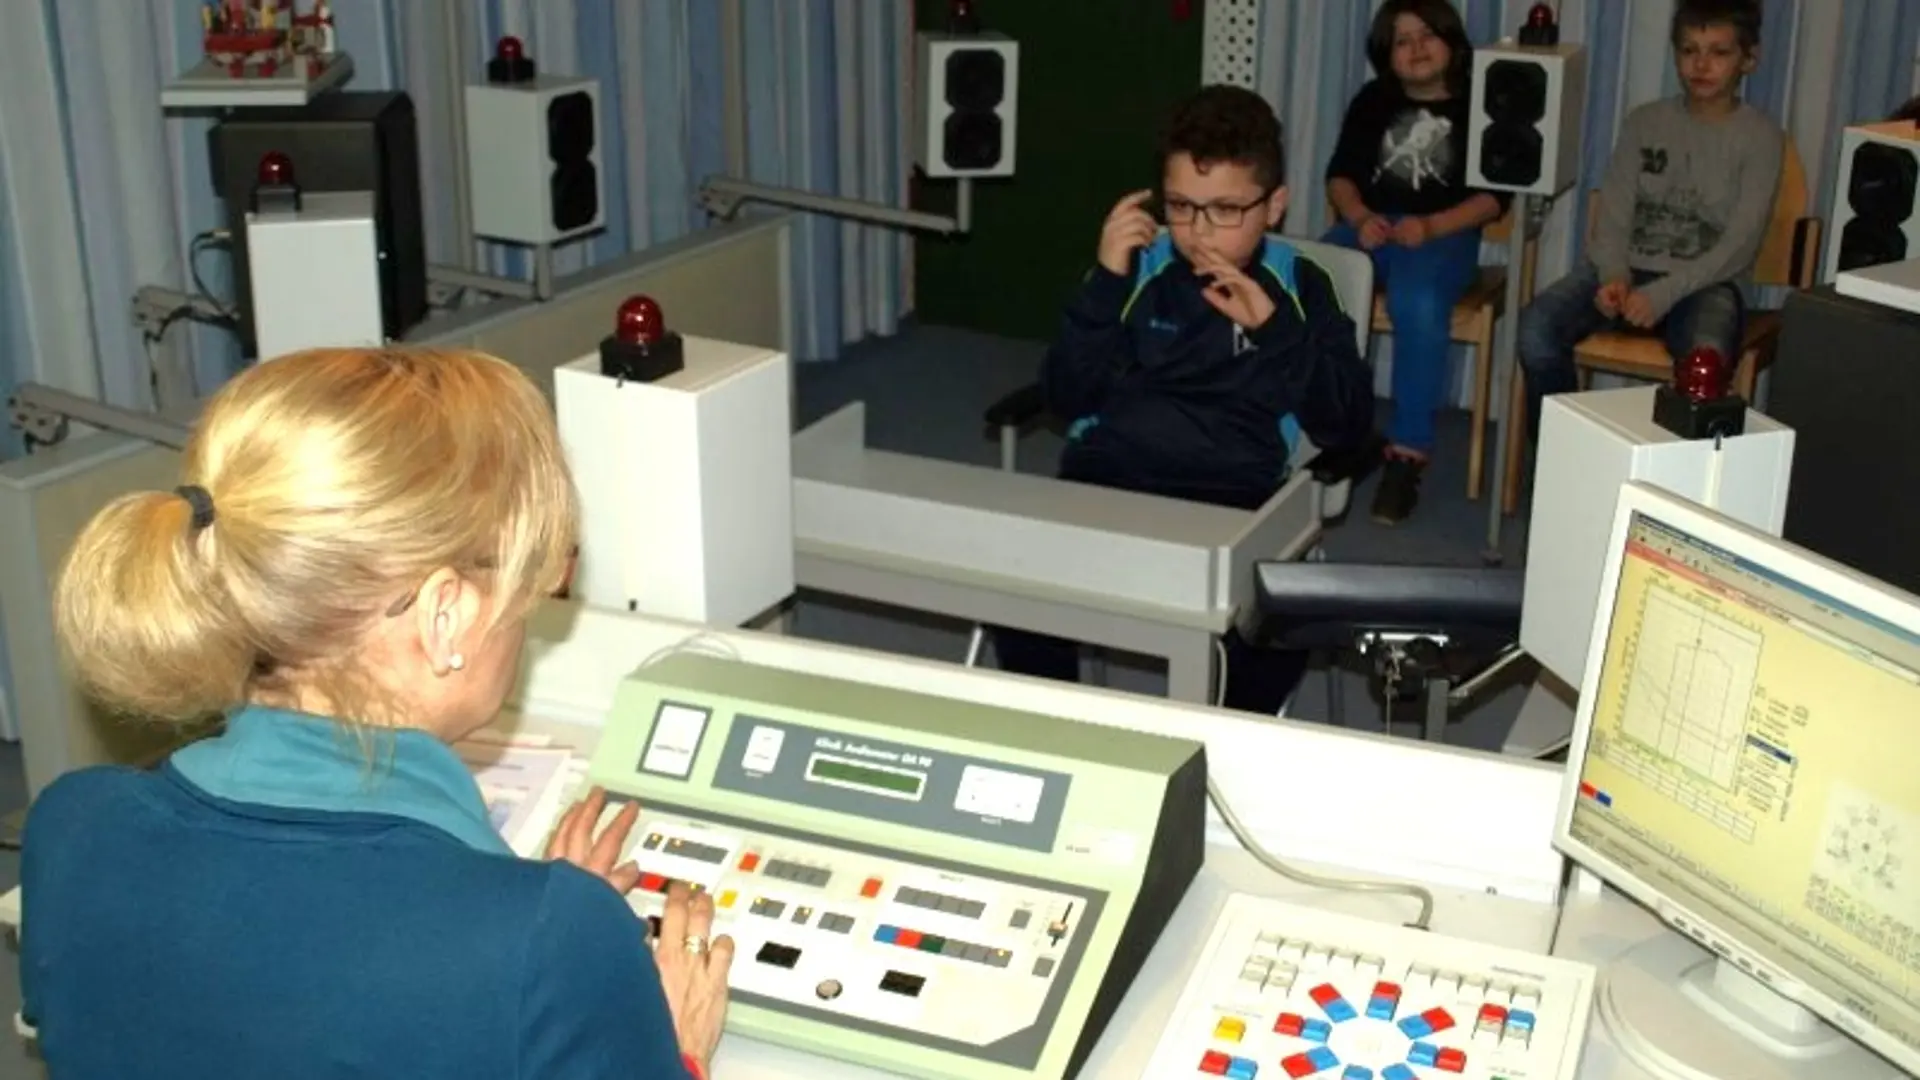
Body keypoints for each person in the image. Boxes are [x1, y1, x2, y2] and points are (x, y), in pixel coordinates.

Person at [19, 348, 733, 1079]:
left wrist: (502, 893)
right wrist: (670, 1044)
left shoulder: (75, 828)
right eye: (526, 589)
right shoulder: (549, 942)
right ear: (444, 615)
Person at [993, 84, 1375, 715]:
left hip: (1235, 497)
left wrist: (1275, 330)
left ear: (1274, 206)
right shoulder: (1135, 268)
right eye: (1180, 207)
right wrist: (1105, 285)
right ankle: (1064, 739)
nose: (1199, 233)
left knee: (1277, 630)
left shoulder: (1301, 284)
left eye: (1225, 210)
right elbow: (1065, 395)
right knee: (1015, 590)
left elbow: (1346, 426)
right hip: (1111, 480)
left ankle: (1211, 755)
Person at [1517, 0, 1783, 440]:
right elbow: (1615, 212)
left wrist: (1660, 295)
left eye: (1718, 52)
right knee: (1536, 330)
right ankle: (1561, 462)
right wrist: (1614, 276)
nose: (1701, 65)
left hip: (1706, 283)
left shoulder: (1761, 137)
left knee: (1706, 359)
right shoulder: (1645, 122)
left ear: (1748, 60)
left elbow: (1739, 244)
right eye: (1689, 50)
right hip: (1630, 271)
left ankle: (1681, 490)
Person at [1323, 0, 1510, 525]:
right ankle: (1330, 426)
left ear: (1452, 42)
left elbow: (1494, 199)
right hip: (1373, 226)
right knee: (1316, 278)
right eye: (1402, 41)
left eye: (1428, 35)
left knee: (1418, 301)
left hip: (1444, 235)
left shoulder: (1481, 105)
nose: (1417, 48)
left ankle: (1408, 452)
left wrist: (1429, 227)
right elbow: (1340, 176)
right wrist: (1359, 216)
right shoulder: (1373, 101)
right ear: (1387, 56)